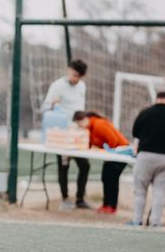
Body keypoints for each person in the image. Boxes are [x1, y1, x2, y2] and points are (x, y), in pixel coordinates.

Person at [129, 92, 165, 226]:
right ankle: (155, 222)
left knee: (140, 190)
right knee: (159, 190)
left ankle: (137, 220)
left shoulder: (145, 113)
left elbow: (135, 132)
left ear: (157, 99)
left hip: (146, 155)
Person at [42, 59, 90, 210]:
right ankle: (65, 198)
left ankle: (80, 199)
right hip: (62, 133)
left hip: (77, 133)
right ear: (69, 70)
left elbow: (80, 108)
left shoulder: (82, 86)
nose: (75, 78)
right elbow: (45, 107)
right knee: (64, 165)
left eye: (79, 76)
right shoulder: (57, 86)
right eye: (74, 74)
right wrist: (52, 105)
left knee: (85, 166)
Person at [72, 111, 129, 214]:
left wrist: (104, 151)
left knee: (112, 179)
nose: (80, 126)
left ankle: (112, 206)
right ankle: (106, 204)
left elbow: (114, 140)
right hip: (111, 155)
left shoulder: (99, 125)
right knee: (106, 177)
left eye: (79, 123)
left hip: (121, 153)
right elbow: (90, 144)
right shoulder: (89, 129)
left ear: (84, 119)